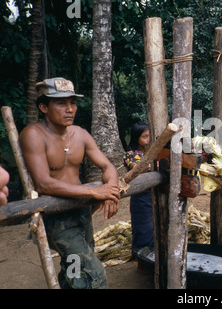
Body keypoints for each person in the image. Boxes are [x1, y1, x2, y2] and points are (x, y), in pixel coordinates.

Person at [19, 77, 120, 289]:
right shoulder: (33, 135)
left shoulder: (80, 134)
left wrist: (111, 189)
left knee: (73, 269)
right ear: (44, 107)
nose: (70, 109)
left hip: (81, 212)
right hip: (56, 219)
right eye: (61, 103)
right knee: (94, 276)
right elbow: (44, 184)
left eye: (72, 102)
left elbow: (107, 167)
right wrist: (94, 192)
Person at [122, 122, 154, 254]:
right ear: (136, 138)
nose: (148, 139)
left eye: (150, 136)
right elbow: (134, 167)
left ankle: (153, 254)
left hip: (155, 193)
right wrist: (142, 166)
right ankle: (141, 258)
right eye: (144, 136)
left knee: (155, 225)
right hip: (141, 196)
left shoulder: (156, 152)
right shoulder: (130, 154)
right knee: (143, 226)